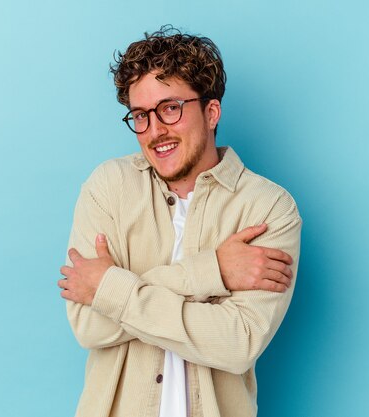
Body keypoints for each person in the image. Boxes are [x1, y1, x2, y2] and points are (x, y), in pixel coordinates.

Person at [58, 25, 302, 417]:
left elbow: (237, 343)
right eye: (141, 115)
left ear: (211, 111)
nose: (155, 131)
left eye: (170, 108)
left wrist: (109, 287)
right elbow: (88, 326)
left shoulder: (269, 208)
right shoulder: (108, 187)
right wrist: (213, 271)